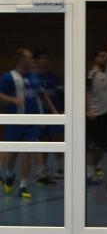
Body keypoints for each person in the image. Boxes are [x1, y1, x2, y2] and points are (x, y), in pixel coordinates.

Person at [0, 48, 57, 198]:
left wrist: (53, 111)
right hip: (15, 121)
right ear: (21, 59)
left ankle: (23, 185)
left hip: (31, 121)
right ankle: (9, 174)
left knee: (28, 151)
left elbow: (43, 95)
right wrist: (12, 99)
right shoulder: (8, 77)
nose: (32, 61)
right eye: (29, 58)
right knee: (13, 153)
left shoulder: (34, 77)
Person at [86, 12, 107, 185]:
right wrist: (88, 109)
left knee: (100, 146)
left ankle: (95, 169)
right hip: (95, 115)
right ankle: (89, 173)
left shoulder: (106, 71)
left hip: (106, 114)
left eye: (105, 56)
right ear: (94, 59)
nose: (105, 57)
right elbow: (84, 92)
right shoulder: (91, 74)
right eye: (101, 56)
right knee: (92, 147)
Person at [34, 49, 65, 183]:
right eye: (43, 58)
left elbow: (62, 95)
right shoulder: (33, 78)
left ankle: (60, 169)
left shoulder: (54, 77)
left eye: (48, 58)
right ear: (36, 61)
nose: (46, 61)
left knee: (58, 139)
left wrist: (62, 110)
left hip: (56, 113)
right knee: (43, 141)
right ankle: (42, 171)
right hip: (41, 114)